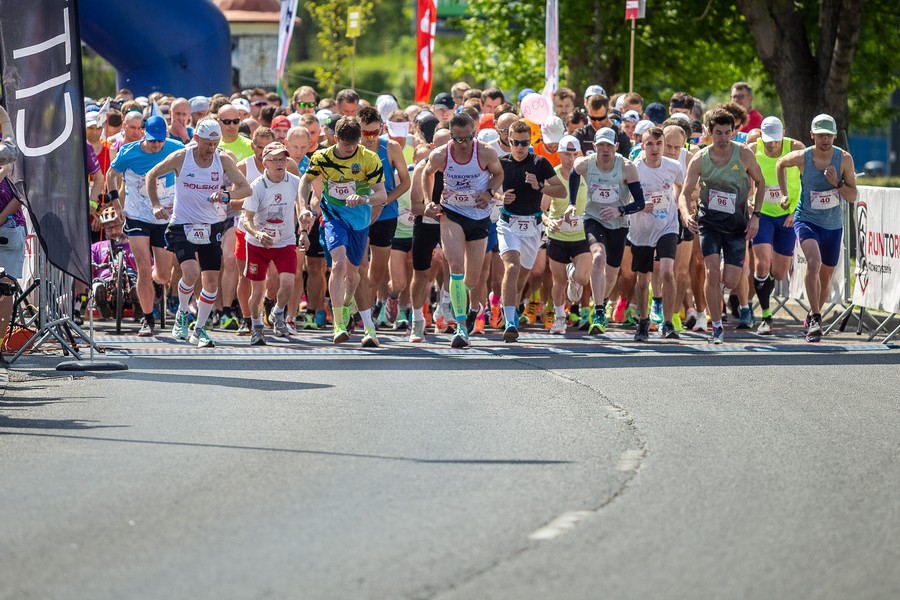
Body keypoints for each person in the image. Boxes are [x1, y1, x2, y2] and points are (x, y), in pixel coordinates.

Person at [146, 119, 252, 348]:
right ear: (196, 139)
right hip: (182, 224)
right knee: (191, 272)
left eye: (215, 143)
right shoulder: (182, 157)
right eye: (207, 144)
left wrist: (226, 195)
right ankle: (183, 312)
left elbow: (246, 188)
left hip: (211, 224)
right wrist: (155, 204)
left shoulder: (222, 159)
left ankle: (199, 329)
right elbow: (152, 175)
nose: (211, 149)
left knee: (211, 281)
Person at [299, 116, 387, 346]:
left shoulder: (369, 158)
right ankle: (338, 324)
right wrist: (304, 207)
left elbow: (382, 194)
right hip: (333, 215)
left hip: (359, 220)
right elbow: (305, 182)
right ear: (335, 138)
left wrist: (364, 198)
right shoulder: (321, 157)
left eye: (353, 144)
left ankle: (349, 306)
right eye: (345, 144)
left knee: (354, 273)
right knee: (337, 264)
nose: (349, 149)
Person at [679, 108, 765, 344]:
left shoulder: (744, 155)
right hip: (709, 224)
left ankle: (721, 290)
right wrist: (686, 215)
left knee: (730, 281)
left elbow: (761, 182)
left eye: (728, 132)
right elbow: (684, 194)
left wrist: (756, 215)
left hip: (737, 225)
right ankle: (716, 325)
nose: (723, 138)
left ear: (733, 132)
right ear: (708, 132)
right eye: (718, 133)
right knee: (711, 272)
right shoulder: (700, 158)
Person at [423, 112, 504, 347]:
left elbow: (498, 174)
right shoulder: (441, 154)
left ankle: (474, 307)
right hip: (452, 213)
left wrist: (489, 193)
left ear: (474, 134)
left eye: (467, 138)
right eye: (458, 139)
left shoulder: (485, 151)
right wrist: (430, 200)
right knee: (456, 267)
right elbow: (426, 174)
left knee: (473, 279)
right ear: (451, 136)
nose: (463, 144)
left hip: (479, 216)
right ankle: (460, 327)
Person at [776, 113, 857, 342]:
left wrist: (837, 184)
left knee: (826, 276)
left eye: (829, 135)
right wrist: (784, 194)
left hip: (832, 224)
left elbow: (852, 196)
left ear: (833, 136)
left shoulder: (845, 159)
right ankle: (815, 320)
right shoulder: (804, 157)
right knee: (813, 262)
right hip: (807, 219)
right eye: (820, 135)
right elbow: (781, 164)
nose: (825, 139)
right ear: (812, 135)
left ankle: (813, 313)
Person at [106, 115, 184, 336]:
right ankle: (148, 318)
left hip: (164, 217)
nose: (157, 145)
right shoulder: (129, 152)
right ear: (143, 134)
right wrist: (117, 204)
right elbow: (111, 175)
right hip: (137, 215)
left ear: (165, 136)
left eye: (160, 140)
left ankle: (155, 281)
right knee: (141, 266)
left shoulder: (176, 148)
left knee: (163, 275)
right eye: (152, 140)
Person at [567, 127, 645, 334]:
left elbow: (640, 203)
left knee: (612, 274)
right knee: (598, 257)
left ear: (616, 147)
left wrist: (620, 209)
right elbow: (574, 173)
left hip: (618, 224)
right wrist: (572, 203)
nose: (605, 149)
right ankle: (600, 311)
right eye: (600, 145)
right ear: (594, 146)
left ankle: (599, 301)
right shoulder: (585, 163)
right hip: (593, 218)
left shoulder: (627, 167)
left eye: (609, 145)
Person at [497, 119, 566, 342]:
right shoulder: (501, 162)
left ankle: (510, 305)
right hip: (508, 223)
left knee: (521, 278)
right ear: (509, 140)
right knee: (512, 266)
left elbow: (561, 191)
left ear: (530, 142)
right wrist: (500, 197)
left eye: (524, 143)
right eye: (515, 142)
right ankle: (509, 321)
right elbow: (487, 189)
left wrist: (540, 186)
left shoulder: (540, 162)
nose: (519, 147)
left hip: (533, 226)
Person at [241, 142, 305, 345]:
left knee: (288, 282)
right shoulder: (257, 186)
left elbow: (302, 206)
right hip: (258, 243)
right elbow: (247, 219)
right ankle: (257, 326)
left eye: (283, 159)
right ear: (265, 162)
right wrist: (258, 233)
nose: (280, 163)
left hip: (284, 241)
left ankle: (278, 314)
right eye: (275, 159)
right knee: (258, 291)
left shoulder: (295, 181)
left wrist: (304, 229)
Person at [746, 116, 804, 334]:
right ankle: (766, 316)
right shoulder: (752, 149)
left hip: (787, 215)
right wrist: (748, 203)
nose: (771, 144)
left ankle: (764, 284)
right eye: (768, 140)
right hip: (763, 214)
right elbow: (742, 179)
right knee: (761, 264)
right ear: (761, 135)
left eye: (776, 140)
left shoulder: (796, 147)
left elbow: (807, 180)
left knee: (779, 274)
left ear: (784, 133)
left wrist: (795, 211)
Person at [630, 126, 685, 340]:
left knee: (667, 272)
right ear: (642, 146)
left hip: (667, 225)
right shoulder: (634, 168)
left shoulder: (673, 166)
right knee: (643, 280)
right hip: (641, 229)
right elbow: (625, 199)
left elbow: (680, 185)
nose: (655, 148)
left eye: (659, 143)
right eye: (650, 144)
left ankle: (669, 323)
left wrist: (675, 199)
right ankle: (643, 321)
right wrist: (640, 206)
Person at [544, 135, 589, 334]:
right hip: (558, 235)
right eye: (566, 154)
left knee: (582, 277)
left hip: (581, 235)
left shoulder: (587, 175)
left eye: (574, 154)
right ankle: (560, 318)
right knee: (558, 281)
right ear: (559, 154)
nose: (571, 159)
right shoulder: (553, 176)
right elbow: (541, 209)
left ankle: (574, 276)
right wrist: (549, 221)